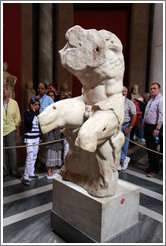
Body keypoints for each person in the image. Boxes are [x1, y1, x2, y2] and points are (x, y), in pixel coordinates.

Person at [143, 83, 163, 178]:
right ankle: (151, 167)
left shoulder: (161, 100)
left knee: (153, 149)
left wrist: (158, 128)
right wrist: (143, 123)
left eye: (154, 88)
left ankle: (155, 170)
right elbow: (147, 113)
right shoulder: (151, 99)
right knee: (148, 148)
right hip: (147, 125)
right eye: (151, 88)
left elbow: (162, 115)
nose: (152, 90)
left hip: (154, 127)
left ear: (159, 89)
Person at [3, 85, 22, 178]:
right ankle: (3, 171)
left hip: (11, 130)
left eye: (5, 89)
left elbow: (17, 117)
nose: (3, 91)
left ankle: (14, 170)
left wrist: (17, 131)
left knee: (12, 151)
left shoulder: (14, 103)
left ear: (8, 91)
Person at [22, 97, 41, 185]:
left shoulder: (38, 114)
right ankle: (25, 177)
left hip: (36, 137)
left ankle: (31, 173)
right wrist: (33, 112)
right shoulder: (27, 113)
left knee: (34, 155)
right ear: (31, 105)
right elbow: (28, 122)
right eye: (35, 105)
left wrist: (40, 136)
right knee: (29, 157)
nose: (36, 106)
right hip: (29, 137)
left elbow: (39, 126)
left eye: (38, 105)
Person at [118, 86, 137, 171]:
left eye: (125, 91)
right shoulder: (115, 102)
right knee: (116, 145)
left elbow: (134, 115)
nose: (123, 93)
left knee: (124, 146)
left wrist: (130, 127)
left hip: (125, 125)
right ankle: (121, 160)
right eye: (122, 91)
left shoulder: (130, 103)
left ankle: (122, 161)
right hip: (116, 125)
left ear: (127, 93)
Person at [36, 82, 54, 169]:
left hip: (46, 124)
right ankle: (38, 161)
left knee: (45, 143)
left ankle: (44, 162)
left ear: (46, 90)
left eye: (42, 88)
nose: (40, 90)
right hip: (37, 124)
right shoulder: (35, 98)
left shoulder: (49, 100)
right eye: (39, 88)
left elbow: (53, 112)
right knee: (38, 143)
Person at [45, 91, 62, 179]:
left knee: (56, 152)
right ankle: (49, 171)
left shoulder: (56, 107)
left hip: (57, 133)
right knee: (50, 152)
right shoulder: (47, 110)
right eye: (49, 95)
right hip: (51, 133)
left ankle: (53, 170)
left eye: (53, 95)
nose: (51, 97)